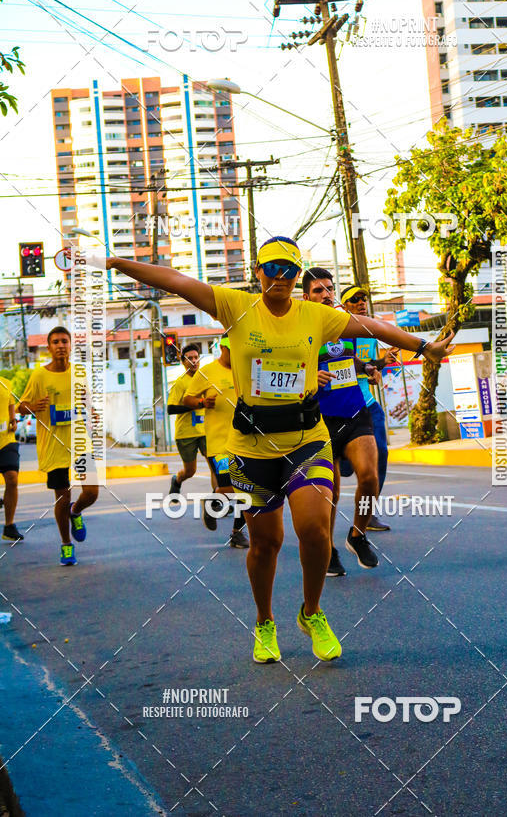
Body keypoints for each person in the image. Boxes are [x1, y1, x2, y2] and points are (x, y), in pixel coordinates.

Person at [101, 236, 455, 664]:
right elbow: (175, 281)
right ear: (258, 271)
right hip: (252, 449)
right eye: (272, 268)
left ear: (296, 273)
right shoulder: (234, 305)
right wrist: (116, 261)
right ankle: (264, 621)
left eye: (289, 269)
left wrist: (424, 347)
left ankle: (312, 612)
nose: (281, 277)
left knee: (315, 529)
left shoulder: (316, 315)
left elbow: (373, 327)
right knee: (266, 543)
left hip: (307, 440)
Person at [303, 269, 385, 580]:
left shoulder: (343, 323)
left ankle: (357, 535)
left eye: (329, 288)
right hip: (320, 419)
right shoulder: (300, 328)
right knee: (331, 491)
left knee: (369, 477)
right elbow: (286, 368)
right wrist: (310, 376)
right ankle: (328, 549)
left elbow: (349, 358)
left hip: (354, 410)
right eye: (318, 290)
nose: (325, 294)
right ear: (306, 297)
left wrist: (368, 369)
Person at [19, 327, 99, 565]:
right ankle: (66, 544)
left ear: (71, 345)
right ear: (49, 347)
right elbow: (21, 406)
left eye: (65, 341)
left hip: (80, 441)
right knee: (62, 499)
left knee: (92, 492)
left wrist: (91, 411)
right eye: (56, 342)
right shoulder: (39, 375)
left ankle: (76, 511)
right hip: (53, 446)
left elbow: (85, 399)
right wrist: (33, 406)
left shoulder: (79, 372)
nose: (61, 345)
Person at [183, 336, 249, 549]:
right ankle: (211, 502)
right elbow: (188, 399)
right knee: (228, 487)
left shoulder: (245, 369)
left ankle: (237, 533)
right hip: (219, 444)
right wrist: (202, 402)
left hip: (245, 442)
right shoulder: (207, 371)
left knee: (246, 489)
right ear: (222, 348)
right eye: (231, 349)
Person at [340, 284, 396, 503]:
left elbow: (368, 365)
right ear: (345, 306)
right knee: (344, 469)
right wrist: (372, 366)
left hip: (368, 402)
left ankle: (368, 509)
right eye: (355, 299)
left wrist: (379, 367)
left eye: (364, 299)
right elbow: (346, 364)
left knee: (381, 452)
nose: (361, 303)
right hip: (341, 405)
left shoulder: (371, 334)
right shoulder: (336, 332)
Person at [167, 343, 207, 496]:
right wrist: (195, 404)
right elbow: (171, 409)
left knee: (215, 466)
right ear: (183, 362)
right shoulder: (180, 383)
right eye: (190, 358)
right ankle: (177, 480)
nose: (194, 361)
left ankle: (217, 496)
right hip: (186, 434)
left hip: (206, 431)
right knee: (190, 471)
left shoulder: (205, 379)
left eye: (196, 357)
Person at [0, 376, 22, 542]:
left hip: (6, 439)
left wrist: (13, 419)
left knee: (12, 478)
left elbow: (10, 404)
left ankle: (9, 526)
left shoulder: (5, 383)